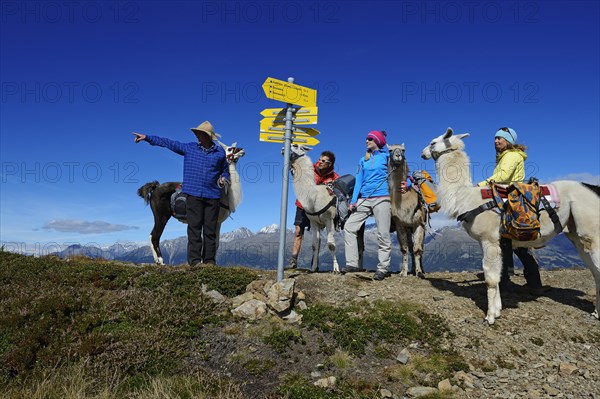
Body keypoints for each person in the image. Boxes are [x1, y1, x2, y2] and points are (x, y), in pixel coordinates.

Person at [133, 121, 230, 267]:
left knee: (210, 231)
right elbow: (169, 143)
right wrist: (147, 138)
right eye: (197, 133)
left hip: (213, 195)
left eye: (200, 134)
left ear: (208, 136)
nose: (197, 136)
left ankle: (209, 262)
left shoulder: (219, 153)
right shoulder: (189, 148)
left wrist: (224, 178)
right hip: (193, 195)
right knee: (194, 230)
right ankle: (195, 262)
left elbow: (225, 170)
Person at [477, 127, 543, 290]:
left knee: (506, 237)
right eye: (495, 138)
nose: (496, 141)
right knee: (516, 242)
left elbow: (503, 177)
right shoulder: (506, 156)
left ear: (509, 141)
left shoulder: (511, 156)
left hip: (512, 198)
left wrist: (479, 186)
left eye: (500, 138)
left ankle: (506, 280)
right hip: (512, 197)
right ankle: (532, 283)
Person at [344, 130, 391, 280]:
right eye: (366, 139)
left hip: (382, 197)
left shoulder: (387, 156)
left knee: (383, 233)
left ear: (378, 141)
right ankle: (352, 263)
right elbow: (358, 180)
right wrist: (353, 201)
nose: (366, 141)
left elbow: (402, 172)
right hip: (364, 198)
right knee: (349, 227)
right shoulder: (362, 160)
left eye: (370, 138)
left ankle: (383, 268)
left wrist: (407, 183)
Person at [286, 151, 339, 269]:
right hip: (302, 204)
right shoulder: (309, 169)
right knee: (298, 231)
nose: (320, 162)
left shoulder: (334, 177)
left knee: (317, 235)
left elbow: (337, 191)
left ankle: (314, 264)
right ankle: (293, 260)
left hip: (321, 209)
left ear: (330, 164)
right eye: (320, 159)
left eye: (324, 161)